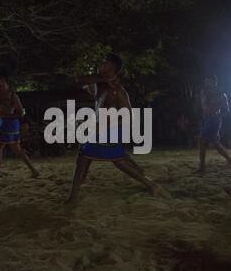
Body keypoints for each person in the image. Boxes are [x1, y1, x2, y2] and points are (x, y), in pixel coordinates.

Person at [65, 54, 161, 203]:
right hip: (99, 128)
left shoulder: (118, 91)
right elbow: (79, 80)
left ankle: (151, 184)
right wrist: (102, 79)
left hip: (111, 129)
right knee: (86, 157)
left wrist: (105, 126)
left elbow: (128, 115)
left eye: (104, 64)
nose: (100, 65)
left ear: (113, 69)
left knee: (113, 160)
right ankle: (75, 192)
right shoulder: (99, 82)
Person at [0, 67, 39, 185]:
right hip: (2, 121)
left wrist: (5, 113)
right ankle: (34, 171)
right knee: (17, 150)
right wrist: (2, 99)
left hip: (8, 123)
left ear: (2, 79)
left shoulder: (12, 94)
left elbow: (20, 112)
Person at [196, 75, 231, 173]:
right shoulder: (203, 92)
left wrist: (217, 114)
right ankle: (230, 161)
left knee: (201, 140)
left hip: (214, 119)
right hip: (206, 119)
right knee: (215, 143)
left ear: (214, 82)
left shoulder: (221, 94)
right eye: (205, 82)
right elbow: (204, 106)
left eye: (208, 81)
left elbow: (227, 110)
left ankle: (202, 167)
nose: (206, 84)